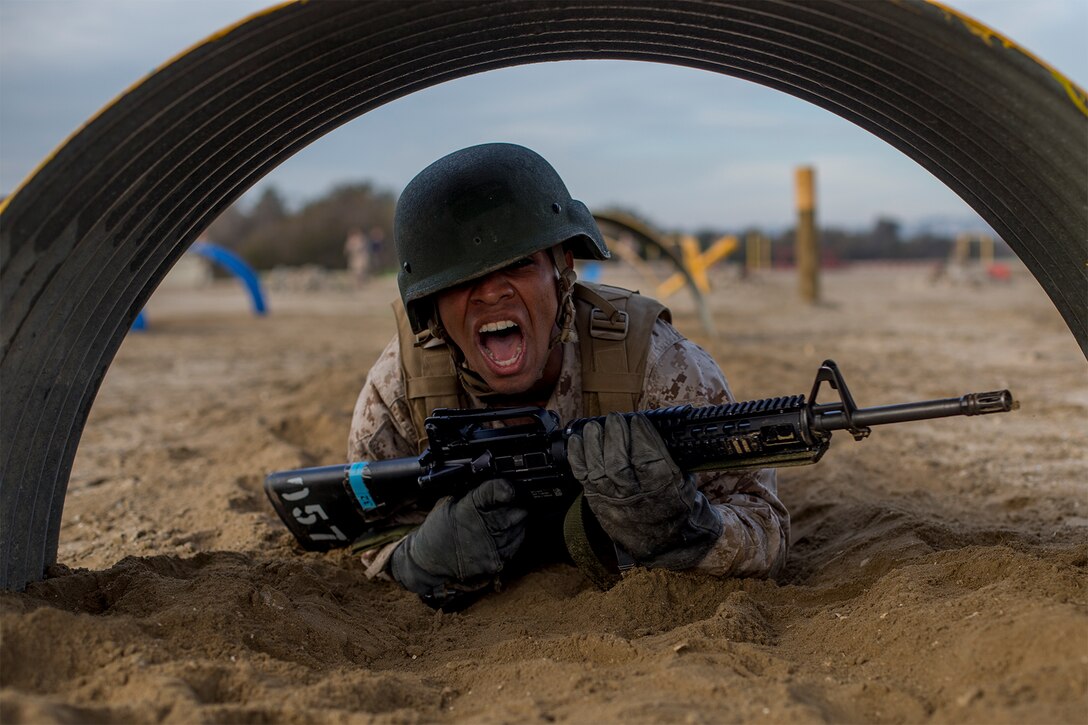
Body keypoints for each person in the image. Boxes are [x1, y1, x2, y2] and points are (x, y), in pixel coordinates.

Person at [348, 143, 789, 609]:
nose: (493, 291)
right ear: (430, 307)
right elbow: (362, 531)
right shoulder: (402, 385)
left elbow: (767, 532)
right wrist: (418, 559)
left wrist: (686, 531)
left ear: (564, 272)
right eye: (460, 280)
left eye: (520, 264)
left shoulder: (657, 365)